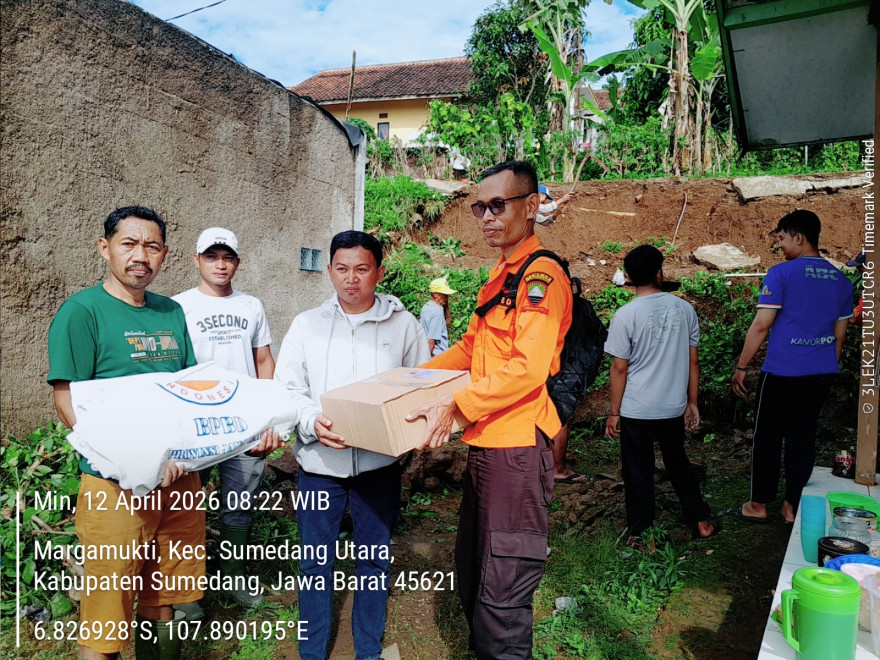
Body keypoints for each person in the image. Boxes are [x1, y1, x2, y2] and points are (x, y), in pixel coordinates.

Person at [407, 161, 573, 659]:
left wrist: (457, 405)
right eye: (480, 207)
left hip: (516, 450)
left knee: (503, 587)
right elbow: (469, 347)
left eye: (498, 205)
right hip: (486, 446)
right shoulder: (501, 275)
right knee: (475, 570)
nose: (487, 217)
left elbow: (527, 368)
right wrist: (408, 382)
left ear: (532, 205)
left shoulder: (540, 277)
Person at [274, 230, 430, 660]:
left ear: (379, 271)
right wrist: (311, 422)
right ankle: (311, 652)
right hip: (319, 467)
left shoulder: (404, 325)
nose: (351, 278)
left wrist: (406, 431)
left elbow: (421, 385)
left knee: (374, 560)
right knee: (314, 562)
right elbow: (288, 388)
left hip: (379, 468)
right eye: (342, 269)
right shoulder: (307, 325)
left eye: (362, 269)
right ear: (329, 270)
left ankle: (368, 650)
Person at [173, 227, 276, 609]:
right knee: (184, 507)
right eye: (211, 256)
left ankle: (234, 575)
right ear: (196, 260)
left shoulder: (251, 306)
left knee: (239, 505)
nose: (220, 264)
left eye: (227, 257)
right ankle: (185, 592)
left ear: (237, 262)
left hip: (244, 424)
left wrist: (268, 417)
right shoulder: (177, 307)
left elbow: (264, 361)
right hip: (194, 426)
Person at [729, 210, 853, 524]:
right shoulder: (841, 280)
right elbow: (839, 337)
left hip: (782, 371)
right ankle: (791, 507)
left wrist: (742, 366)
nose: (780, 245)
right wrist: (824, 366)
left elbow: (761, 325)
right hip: (820, 371)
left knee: (767, 436)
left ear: (799, 237)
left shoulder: (781, 274)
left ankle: (758, 505)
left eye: (782, 238)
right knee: (803, 437)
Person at [603, 245, 719, 548]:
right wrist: (692, 402)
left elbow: (619, 369)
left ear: (628, 277)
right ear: (659, 273)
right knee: (678, 462)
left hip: (637, 409)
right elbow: (693, 362)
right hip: (672, 406)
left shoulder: (625, 315)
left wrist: (614, 413)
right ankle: (701, 522)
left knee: (638, 471)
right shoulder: (684, 309)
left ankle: (642, 534)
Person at [420, 276, 456, 356]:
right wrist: (426, 360)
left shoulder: (426, 307)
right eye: (444, 295)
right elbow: (431, 341)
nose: (447, 298)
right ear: (435, 294)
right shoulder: (437, 312)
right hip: (436, 355)